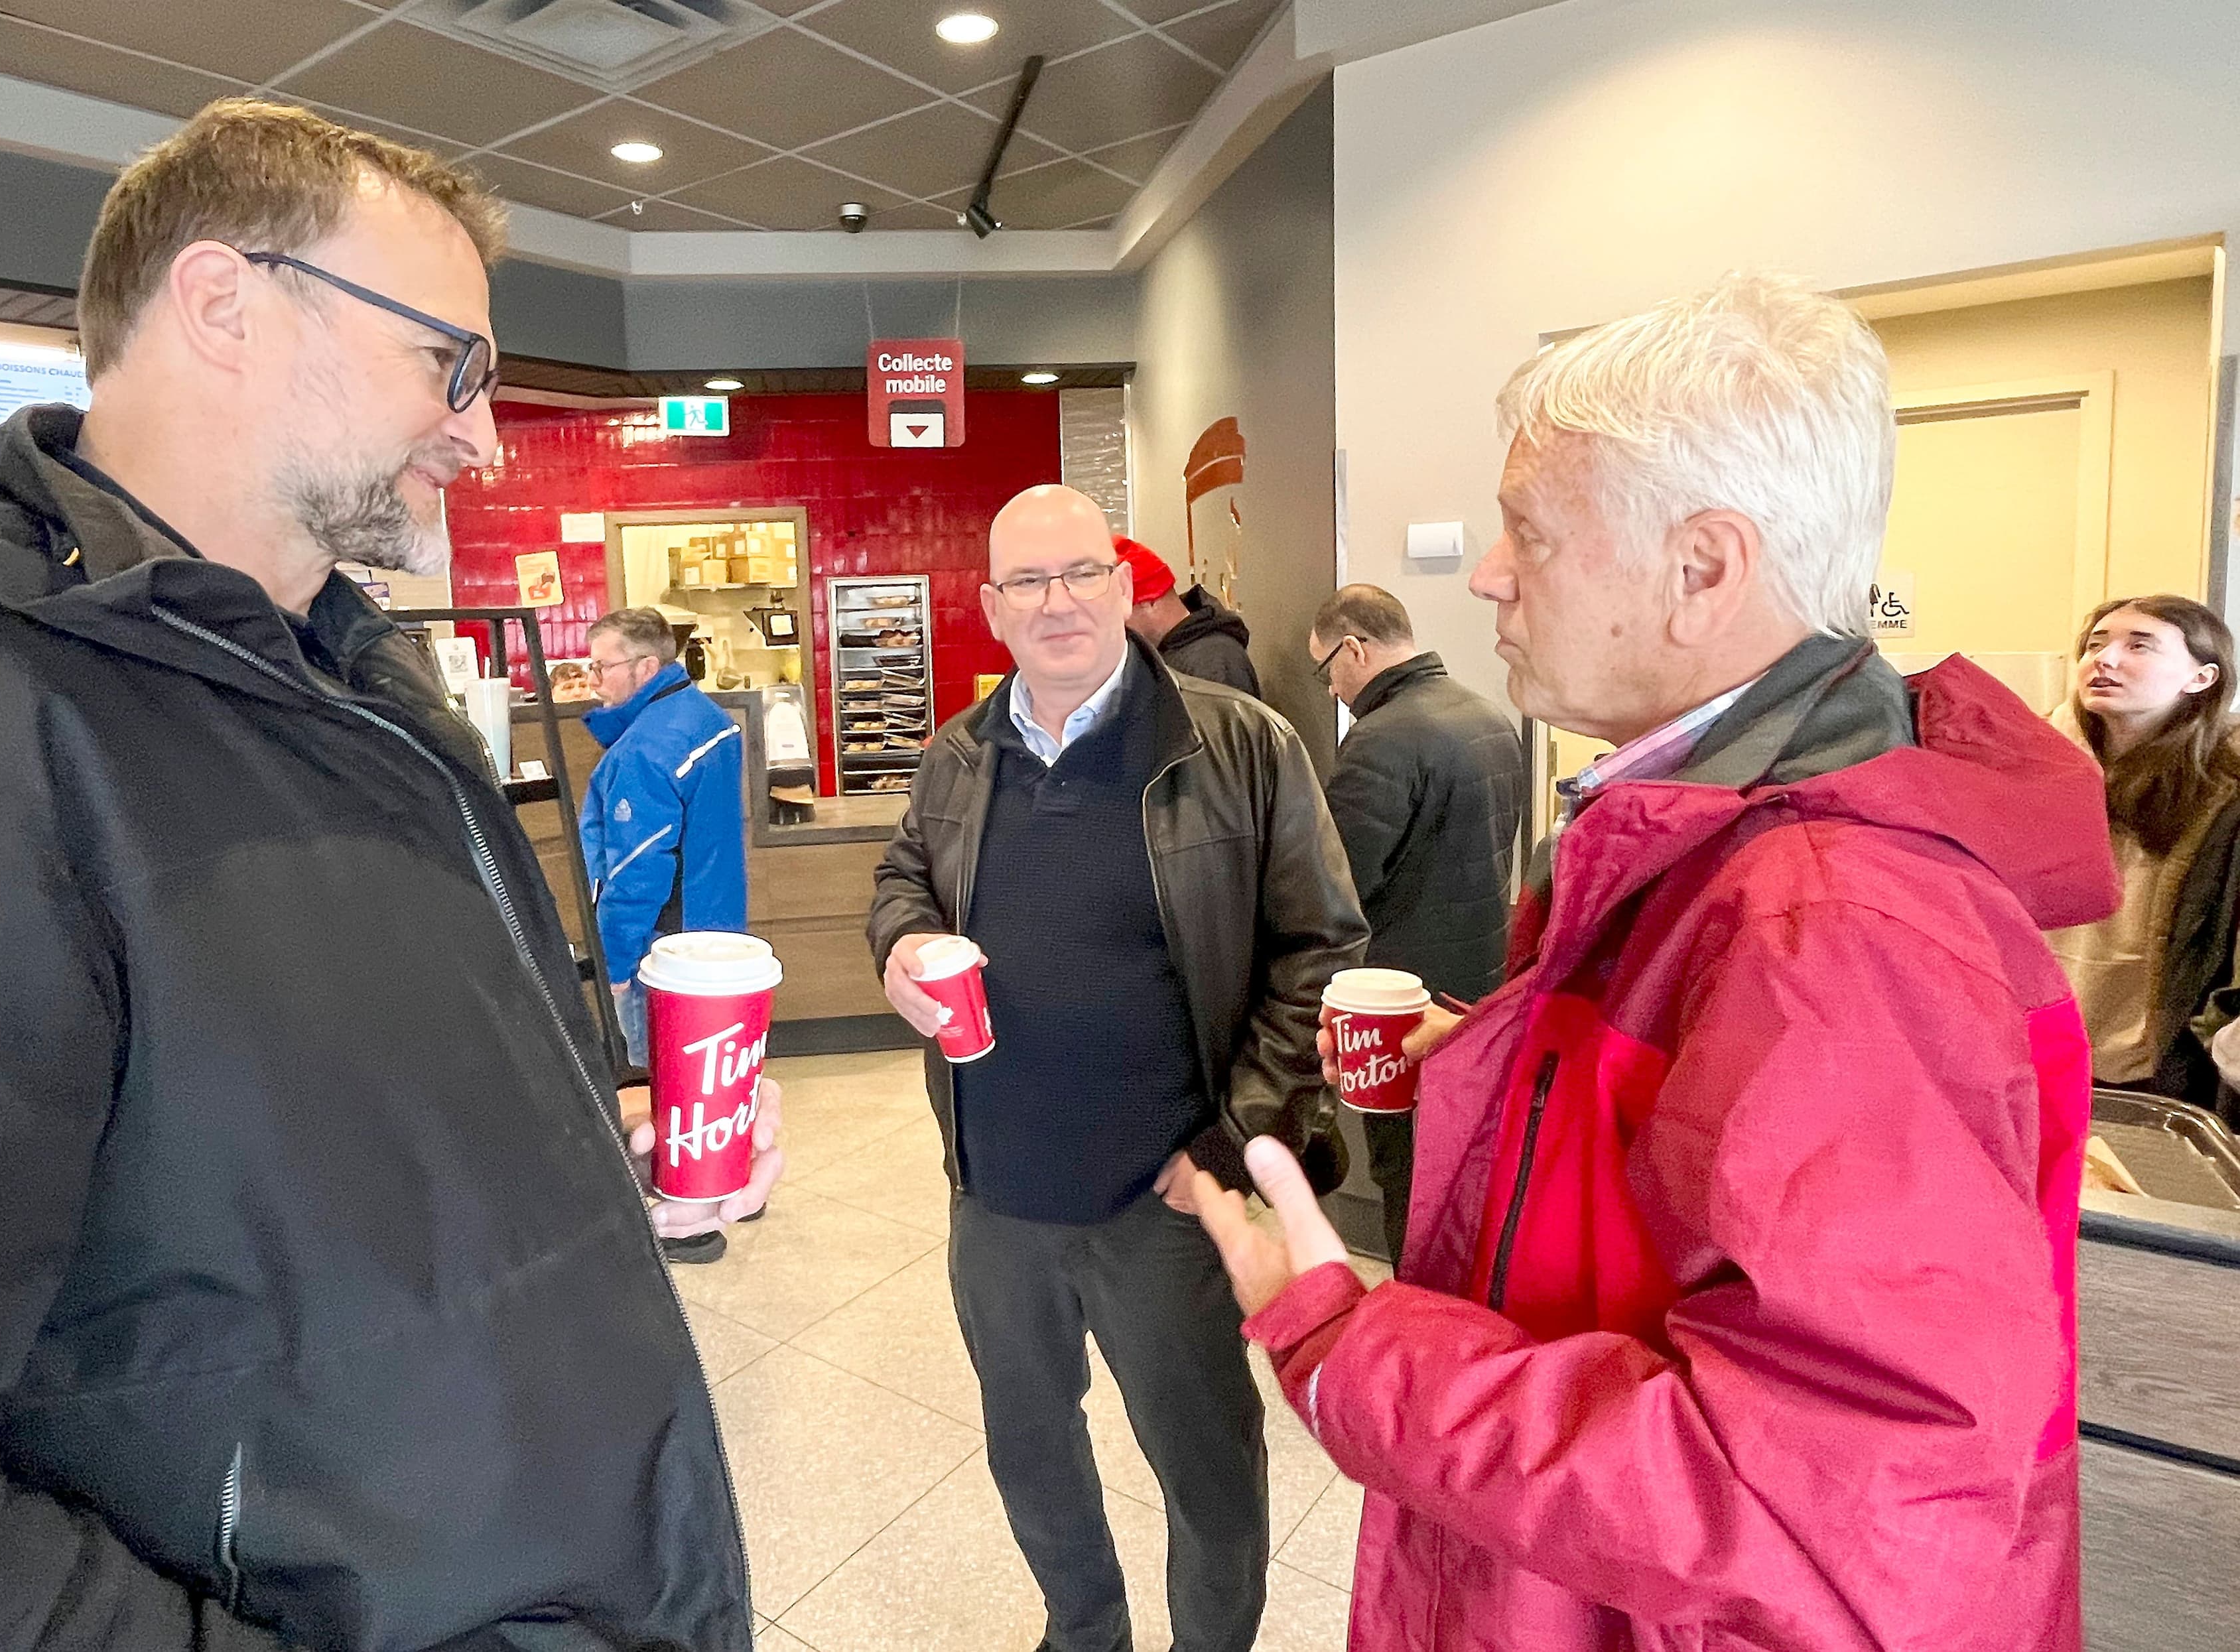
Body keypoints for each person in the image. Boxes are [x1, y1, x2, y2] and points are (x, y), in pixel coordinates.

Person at [0, 100, 779, 1651]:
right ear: (224, 305)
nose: (483, 435)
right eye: (450, 363)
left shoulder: (364, 686)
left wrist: (583, 1146)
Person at [1193, 273, 2113, 1651]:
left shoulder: (1830, 922)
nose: (1486, 573)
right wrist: (1512, 1066)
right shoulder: (1726, 845)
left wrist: (1345, 1346)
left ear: (1703, 570)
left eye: (1528, 531)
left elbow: (1827, 1506)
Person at [871, 484, 1364, 1652]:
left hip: (1170, 1200)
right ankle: (1083, 1630)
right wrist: (901, 942)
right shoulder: (958, 756)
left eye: (1082, 573)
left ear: (1125, 585)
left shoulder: (1240, 745)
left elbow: (1323, 948)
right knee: (1030, 1449)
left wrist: (1232, 1136)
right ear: (993, 605)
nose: (1059, 602)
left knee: (1208, 1468)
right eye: (1028, 581)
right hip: (997, 1197)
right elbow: (903, 877)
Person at [1307, 583, 1524, 1259]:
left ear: (1354, 649)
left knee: (1406, 1174)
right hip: (1481, 986)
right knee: (1462, 1172)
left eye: (1325, 670)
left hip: (1401, 1005)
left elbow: (1338, 885)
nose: (1331, 687)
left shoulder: (1380, 740)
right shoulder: (1488, 715)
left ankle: (1415, 1306)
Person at [2047, 594, 2240, 1119]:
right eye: (2096, 645)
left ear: (2201, 677)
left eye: (2140, 646)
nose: (2105, 660)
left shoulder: (2227, 787)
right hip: (2047, 1037)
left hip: (2166, 1056)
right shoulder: (2037, 764)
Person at [580, 605, 750, 1070]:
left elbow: (635, 870)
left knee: (655, 1081)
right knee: (703, 1073)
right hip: (716, 930)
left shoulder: (644, 750)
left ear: (647, 667)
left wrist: (615, 965)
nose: (593, 682)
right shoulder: (706, 716)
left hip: (659, 953)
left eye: (602, 667)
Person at [1118, 534, 1262, 696]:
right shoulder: (1167, 655)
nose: (1119, 631)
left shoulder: (1213, 663)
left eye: (1119, 619)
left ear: (1150, 601)